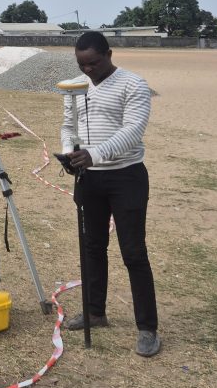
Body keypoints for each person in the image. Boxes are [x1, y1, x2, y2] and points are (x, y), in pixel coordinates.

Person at [61, 31, 160, 358]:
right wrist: (71, 154)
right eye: (81, 64)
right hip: (90, 179)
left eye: (94, 62)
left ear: (109, 54)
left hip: (126, 178)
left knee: (133, 252)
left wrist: (95, 154)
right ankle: (94, 312)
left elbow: (133, 132)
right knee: (92, 246)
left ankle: (147, 328)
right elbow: (68, 125)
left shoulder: (134, 85)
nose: (88, 69)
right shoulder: (75, 87)